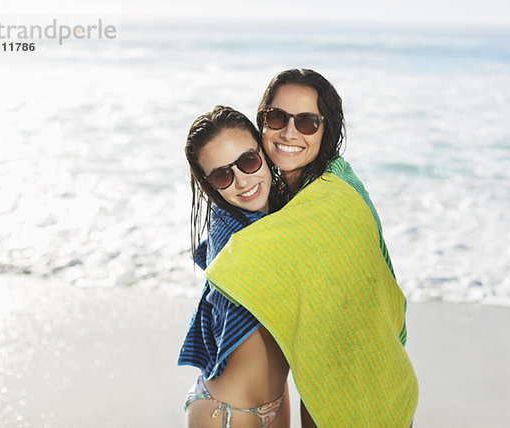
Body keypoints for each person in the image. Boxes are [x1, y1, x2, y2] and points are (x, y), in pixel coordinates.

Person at [205, 69, 419, 427]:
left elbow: (237, 257)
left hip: (372, 391)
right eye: (276, 118)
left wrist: (223, 195)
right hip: (324, 392)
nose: (289, 133)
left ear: (328, 129)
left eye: (307, 122)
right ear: (262, 123)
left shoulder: (334, 196)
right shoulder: (284, 196)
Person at [178, 106, 290, 428]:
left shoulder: (284, 217)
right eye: (223, 175)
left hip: (276, 399)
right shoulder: (230, 234)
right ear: (211, 186)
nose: (242, 181)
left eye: (248, 161)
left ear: (265, 151)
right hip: (225, 413)